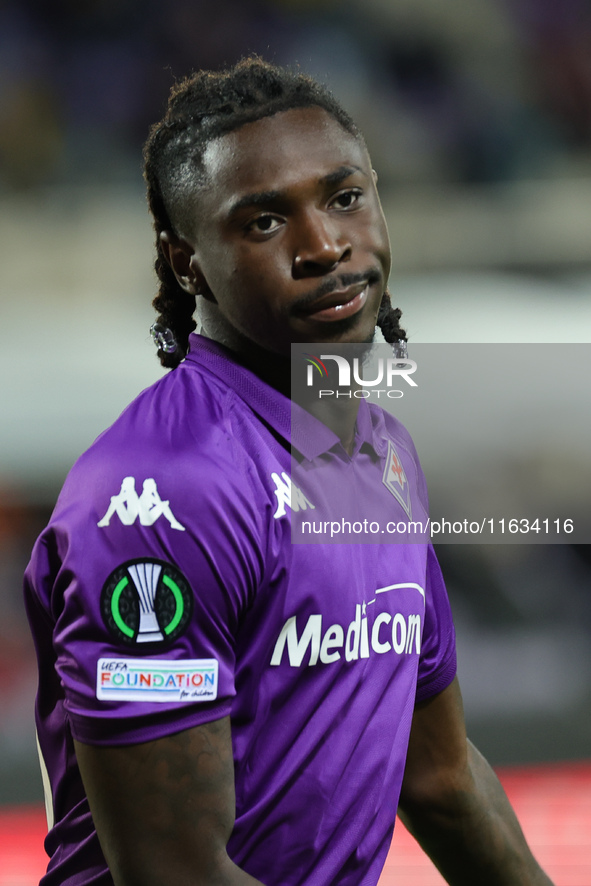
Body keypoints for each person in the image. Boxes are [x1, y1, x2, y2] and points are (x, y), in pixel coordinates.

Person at [24, 58, 554, 886]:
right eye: (264, 222)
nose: (324, 246)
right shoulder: (162, 495)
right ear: (186, 262)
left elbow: (440, 777)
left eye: (344, 197)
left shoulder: (383, 451)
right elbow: (176, 873)